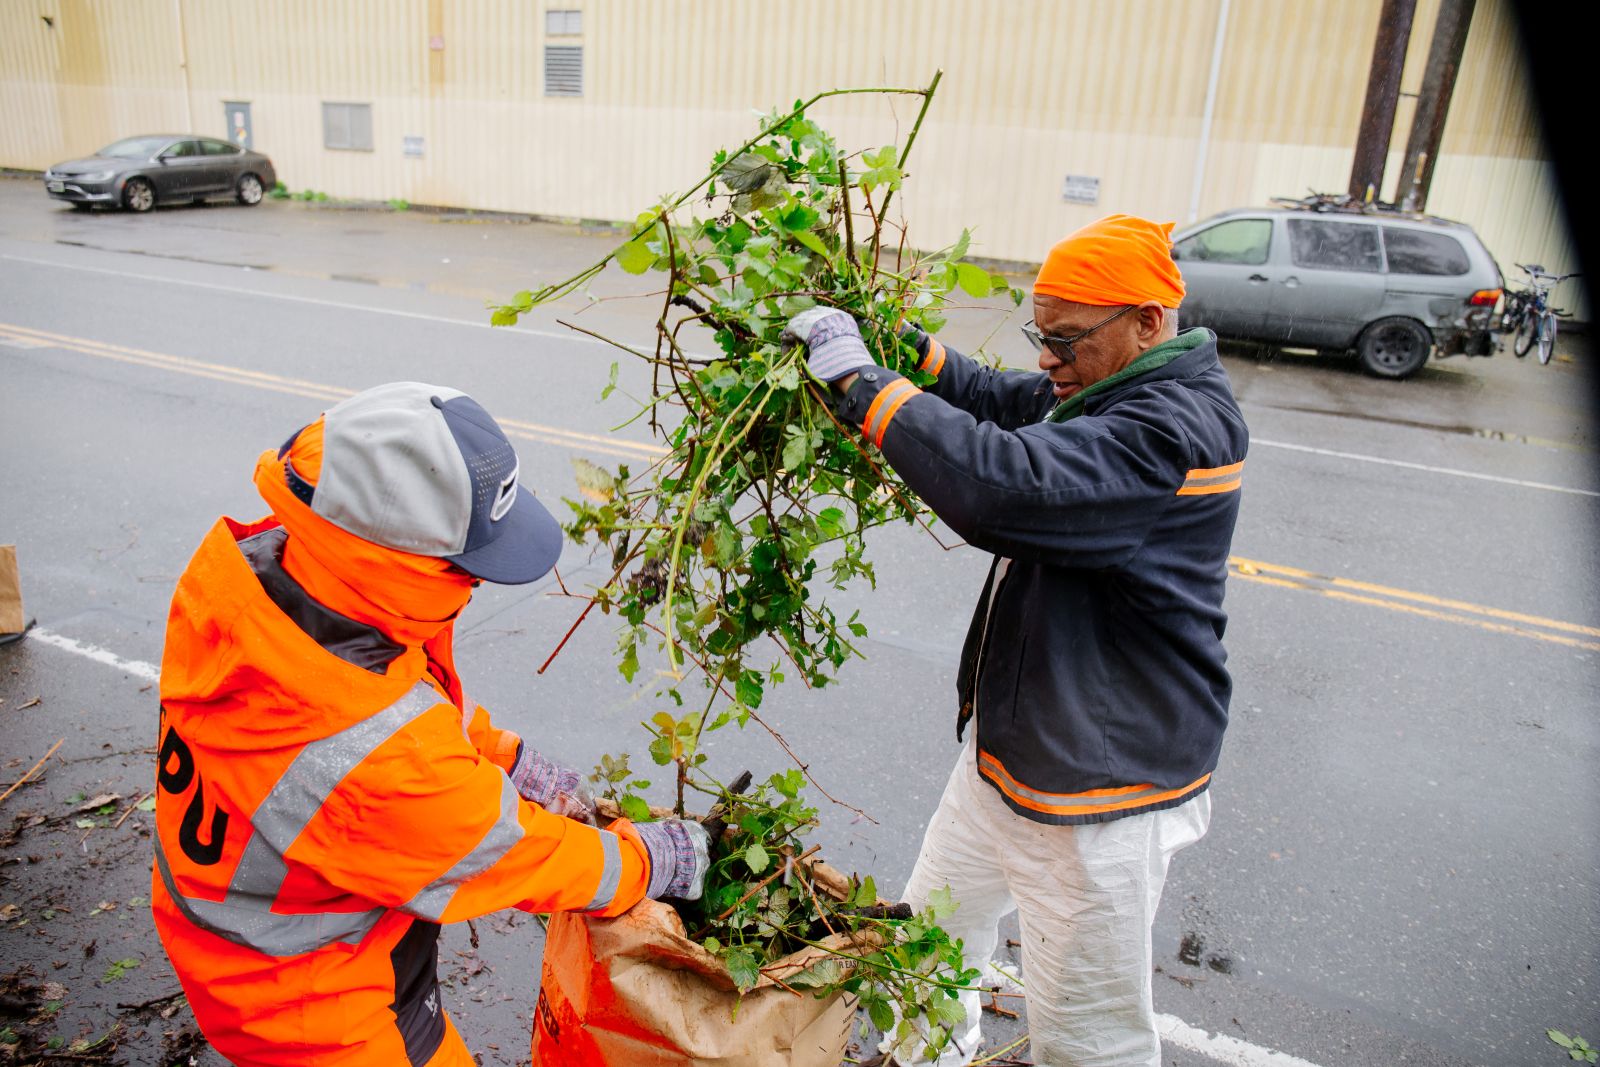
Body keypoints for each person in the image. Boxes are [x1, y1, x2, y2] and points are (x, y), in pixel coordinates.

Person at [785, 215, 1247, 1067]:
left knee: (1087, 1036)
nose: (1047, 360)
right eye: (1043, 335)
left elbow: (1004, 486)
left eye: (1065, 340)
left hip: (1097, 793)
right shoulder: (1107, 387)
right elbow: (1004, 400)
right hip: (1016, 752)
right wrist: (903, 347)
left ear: (1147, 320)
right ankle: (926, 1056)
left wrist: (861, 384)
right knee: (928, 943)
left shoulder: (1169, 430)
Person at [150, 382, 709, 1066]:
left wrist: (504, 754)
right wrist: (650, 858)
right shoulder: (372, 760)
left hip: (247, 926)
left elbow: (391, 701)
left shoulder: (264, 578)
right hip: (309, 997)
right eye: (467, 567)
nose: (475, 586)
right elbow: (513, 850)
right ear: (397, 561)